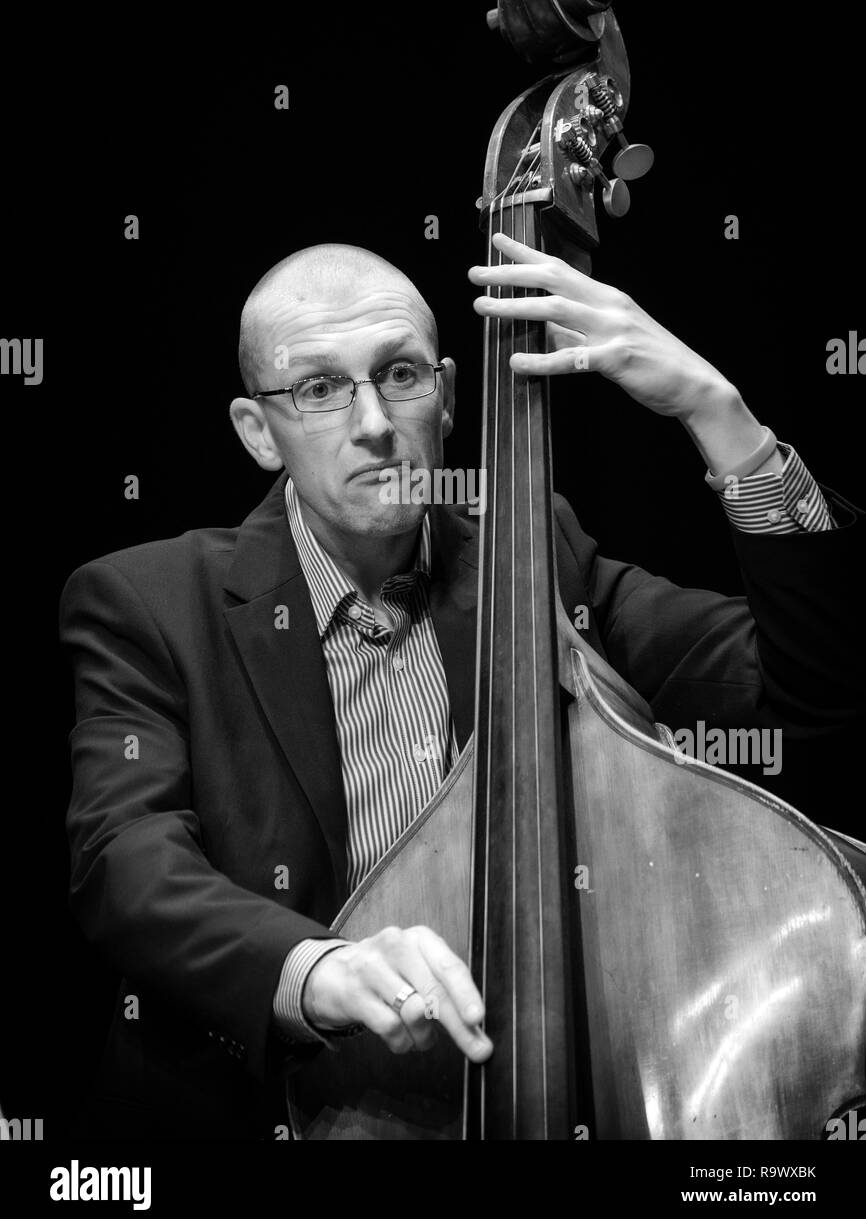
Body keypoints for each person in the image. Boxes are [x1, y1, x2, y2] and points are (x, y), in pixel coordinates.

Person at [60, 233, 864, 1139]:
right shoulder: (149, 601)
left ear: (445, 393)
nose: (372, 422)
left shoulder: (535, 561)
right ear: (258, 431)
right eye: (319, 389)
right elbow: (124, 862)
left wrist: (722, 418)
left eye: (400, 375)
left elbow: (815, 699)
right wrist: (315, 970)